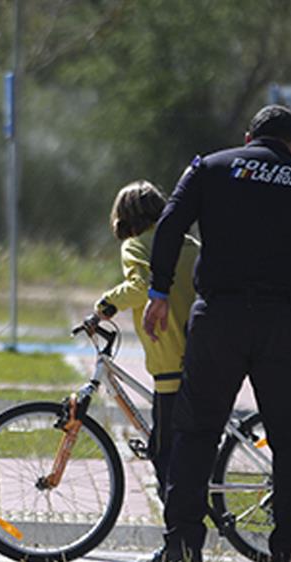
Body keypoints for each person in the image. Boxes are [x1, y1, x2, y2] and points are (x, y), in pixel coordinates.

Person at [143, 105, 291, 562]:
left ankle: (181, 548)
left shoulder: (211, 167)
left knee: (196, 431)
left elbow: (171, 223)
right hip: (285, 324)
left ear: (247, 138)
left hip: (220, 317)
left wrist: (159, 289)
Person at [83, 181, 199, 505]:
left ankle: (179, 525)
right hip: (204, 352)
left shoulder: (136, 245)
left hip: (170, 357)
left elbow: (140, 287)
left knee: (163, 452)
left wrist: (103, 308)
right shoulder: (190, 244)